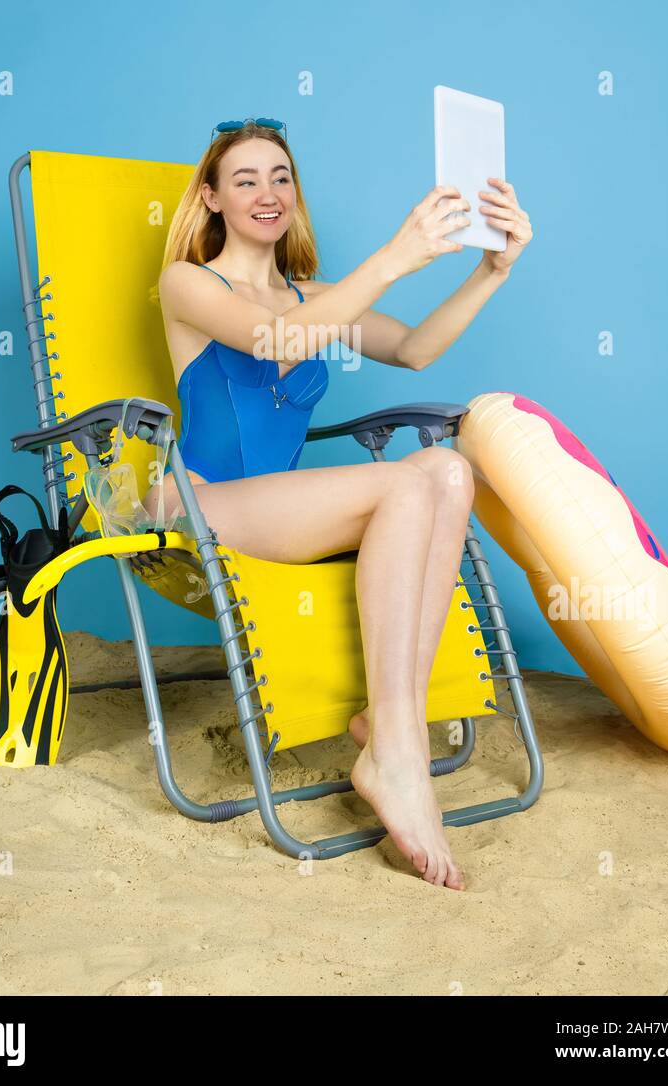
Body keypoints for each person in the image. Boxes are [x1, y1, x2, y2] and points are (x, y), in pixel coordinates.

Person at [144, 117, 533, 889]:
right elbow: (275, 342)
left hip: (283, 513)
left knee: (448, 473)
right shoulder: (188, 283)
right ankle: (397, 751)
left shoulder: (315, 296)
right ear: (212, 198)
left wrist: (493, 269)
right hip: (201, 506)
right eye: (246, 179)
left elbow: (415, 348)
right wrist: (395, 256)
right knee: (405, 480)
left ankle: (394, 733)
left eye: (281, 176)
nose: (267, 192)